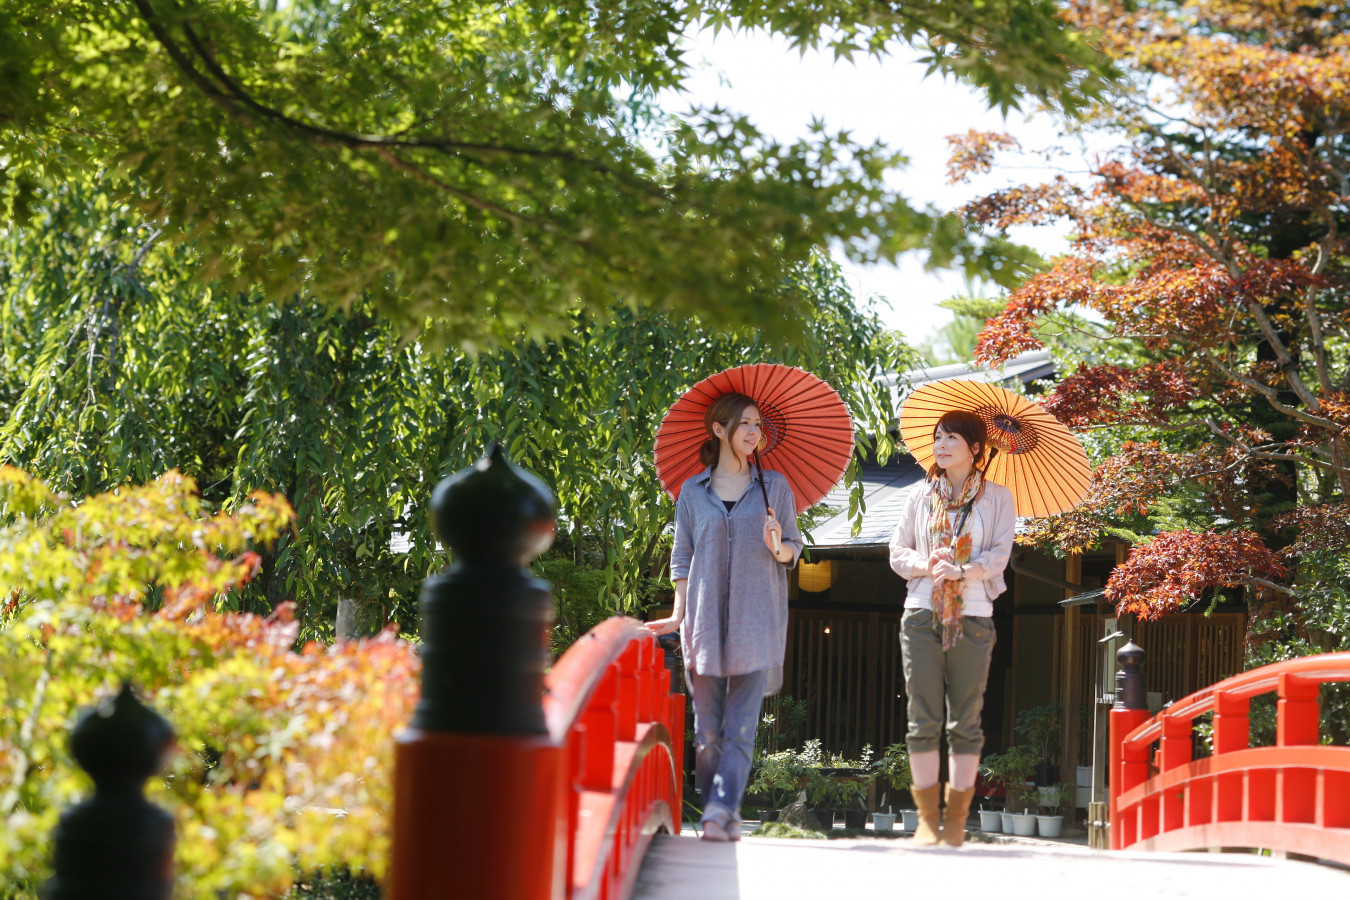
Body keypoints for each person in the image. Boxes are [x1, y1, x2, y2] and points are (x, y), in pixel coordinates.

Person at [646, 391, 802, 842]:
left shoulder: (775, 487)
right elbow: (682, 556)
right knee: (708, 732)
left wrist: (778, 544)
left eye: (758, 425)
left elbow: (794, 548)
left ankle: (719, 808)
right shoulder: (693, 494)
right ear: (720, 430)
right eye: (746, 424)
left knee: (740, 726)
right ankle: (722, 807)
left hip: (758, 618)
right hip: (704, 619)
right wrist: (677, 614)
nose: (755, 432)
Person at [888, 409, 1015, 847]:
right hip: (922, 611)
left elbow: (1000, 555)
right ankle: (927, 820)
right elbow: (897, 551)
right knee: (922, 717)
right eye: (938, 437)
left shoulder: (998, 497)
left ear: (976, 448)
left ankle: (957, 820)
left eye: (952, 438)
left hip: (974, 614)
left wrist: (965, 570)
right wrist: (928, 564)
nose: (940, 445)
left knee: (967, 721)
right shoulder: (919, 496)